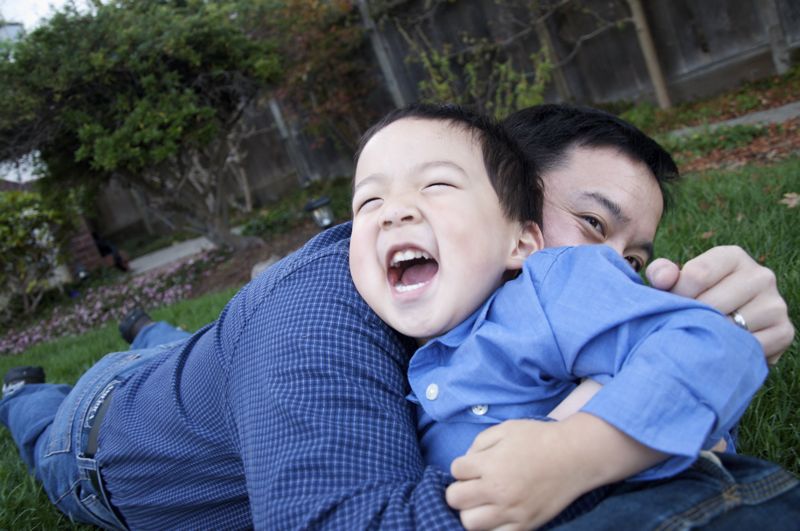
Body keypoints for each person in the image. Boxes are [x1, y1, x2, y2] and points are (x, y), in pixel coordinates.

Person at [0, 104, 795, 529]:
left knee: (187, 347)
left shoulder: (514, 302)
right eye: (591, 223)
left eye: (634, 253)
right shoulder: (327, 310)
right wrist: (578, 450)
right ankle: (25, 390)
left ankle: (153, 330)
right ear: (510, 211)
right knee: (45, 415)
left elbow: (687, 371)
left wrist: (688, 355)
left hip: (231, 373)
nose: (614, 267)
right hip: (101, 443)